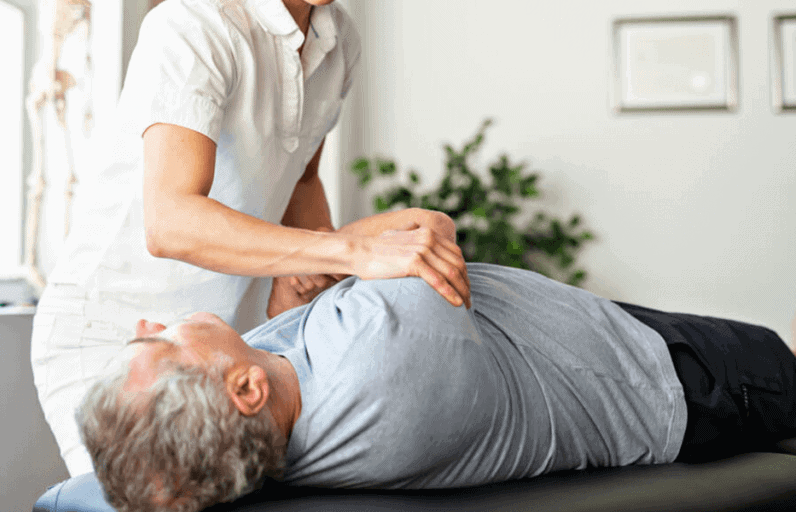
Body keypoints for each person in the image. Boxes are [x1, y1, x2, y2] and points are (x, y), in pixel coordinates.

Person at [31, 0, 472, 477]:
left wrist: (323, 297)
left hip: (219, 337)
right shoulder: (194, 29)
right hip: (117, 333)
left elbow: (301, 184)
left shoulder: (338, 40)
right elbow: (171, 219)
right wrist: (352, 249)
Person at [77, 250, 796, 512]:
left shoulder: (253, 430)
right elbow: (426, 233)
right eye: (164, 345)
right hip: (671, 378)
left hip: (600, 341)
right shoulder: (384, 356)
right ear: (243, 394)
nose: (149, 326)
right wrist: (318, 248)